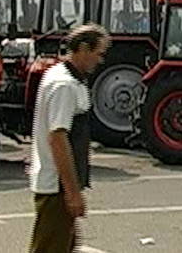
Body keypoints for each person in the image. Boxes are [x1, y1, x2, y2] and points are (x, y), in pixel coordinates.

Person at [29, 23, 110, 253]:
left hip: (58, 186)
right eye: (98, 53)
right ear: (83, 48)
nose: (100, 60)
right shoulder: (64, 85)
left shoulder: (70, 78)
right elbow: (58, 138)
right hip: (57, 188)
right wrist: (73, 192)